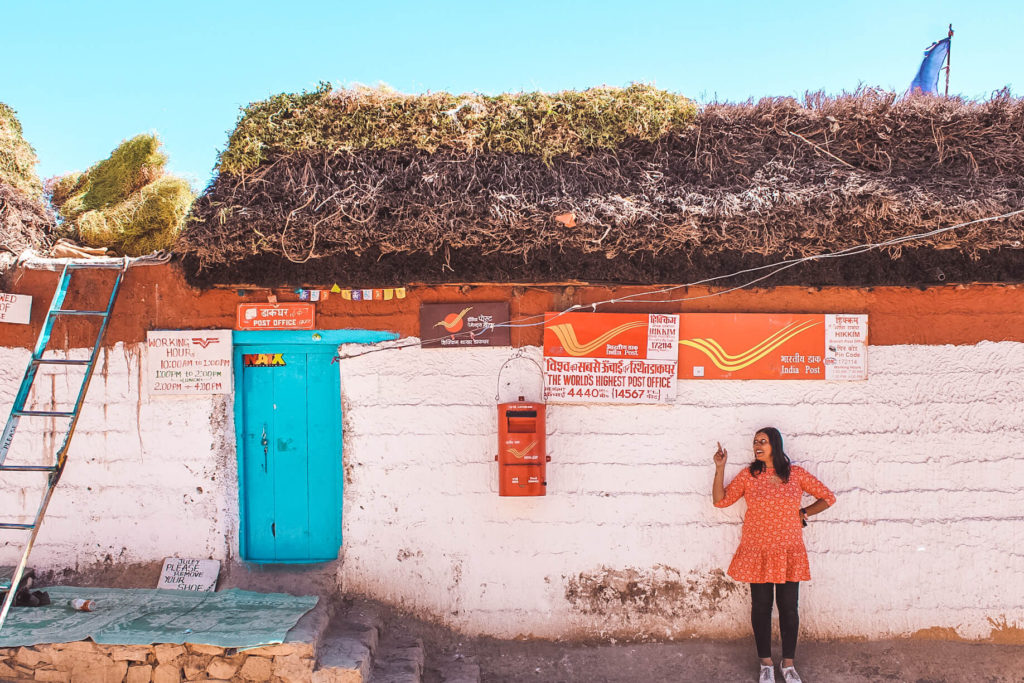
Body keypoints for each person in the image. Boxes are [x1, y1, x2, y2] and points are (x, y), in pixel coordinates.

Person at [712, 427, 836, 683]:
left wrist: (803, 513)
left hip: (788, 551)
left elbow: (828, 497)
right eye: (755, 442)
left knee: (789, 609)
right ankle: (766, 663)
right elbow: (720, 501)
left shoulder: (795, 475)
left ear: (775, 445)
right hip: (757, 551)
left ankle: (788, 665)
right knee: (761, 608)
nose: (757, 446)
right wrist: (720, 467)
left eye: (763, 442)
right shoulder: (748, 475)